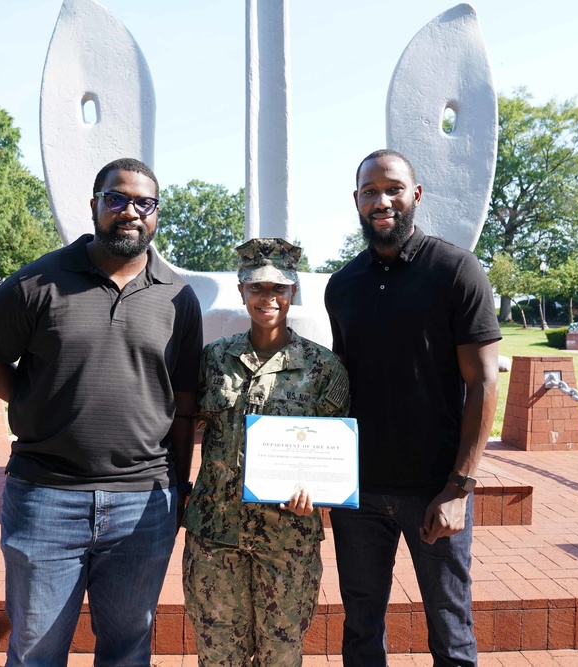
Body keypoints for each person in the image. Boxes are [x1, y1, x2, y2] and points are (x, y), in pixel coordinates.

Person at [0, 157, 203, 667]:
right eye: (116, 199)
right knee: (36, 651)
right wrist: (35, 400)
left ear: (156, 213)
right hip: (45, 497)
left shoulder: (179, 297)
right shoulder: (37, 282)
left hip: (144, 503)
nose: (130, 211)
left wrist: (180, 484)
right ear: (94, 206)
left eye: (144, 203)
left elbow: (184, 403)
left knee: (127, 649)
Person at [324, 149, 501, 667]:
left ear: (415, 194)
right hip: (362, 496)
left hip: (435, 490)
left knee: (451, 633)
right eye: (370, 191)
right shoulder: (343, 286)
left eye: (393, 188)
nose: (382, 200)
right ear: (356, 200)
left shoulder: (455, 270)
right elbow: (346, 382)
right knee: (360, 631)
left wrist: (459, 487)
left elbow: (484, 381)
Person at [182, 238, 351, 667]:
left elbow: (335, 451)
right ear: (241, 291)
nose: (268, 297)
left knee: (281, 653)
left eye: (279, 288)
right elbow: (184, 425)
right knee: (219, 654)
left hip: (287, 539)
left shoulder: (323, 368)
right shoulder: (214, 359)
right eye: (257, 287)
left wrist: (319, 491)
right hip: (215, 537)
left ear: (293, 292)